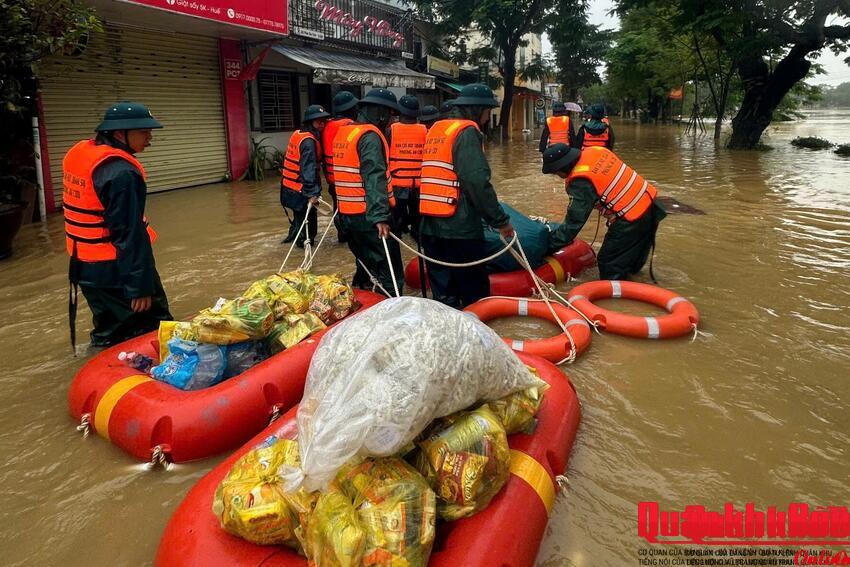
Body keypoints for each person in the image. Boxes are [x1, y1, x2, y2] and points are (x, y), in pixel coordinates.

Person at [63, 101, 173, 349]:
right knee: (155, 331)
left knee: (110, 332)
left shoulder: (82, 155)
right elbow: (129, 233)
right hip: (116, 270)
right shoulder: (122, 173)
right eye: (144, 132)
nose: (150, 138)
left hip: (84, 266)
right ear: (120, 133)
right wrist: (140, 287)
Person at [419, 83, 515, 309]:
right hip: (459, 227)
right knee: (475, 294)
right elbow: (476, 182)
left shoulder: (437, 129)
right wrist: (501, 221)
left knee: (444, 297)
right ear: (477, 109)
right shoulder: (466, 132)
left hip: (429, 225)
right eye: (487, 112)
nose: (487, 118)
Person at [541, 143, 666, 280]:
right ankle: (636, 284)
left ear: (563, 167)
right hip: (652, 205)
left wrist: (550, 246)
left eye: (556, 172)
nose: (557, 176)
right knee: (633, 261)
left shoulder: (580, 181)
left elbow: (574, 221)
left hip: (632, 219)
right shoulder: (596, 151)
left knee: (608, 262)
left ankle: (615, 292)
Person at [333, 88, 405, 295]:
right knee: (389, 271)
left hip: (348, 215)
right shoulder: (369, 137)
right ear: (381, 113)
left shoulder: (345, 132)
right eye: (390, 115)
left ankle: (364, 295)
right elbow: (374, 177)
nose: (391, 121)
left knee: (365, 264)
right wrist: (380, 217)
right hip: (369, 216)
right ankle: (392, 305)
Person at [280, 104, 331, 247]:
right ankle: (302, 250)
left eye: (323, 121)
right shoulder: (308, 142)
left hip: (289, 188)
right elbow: (308, 170)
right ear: (310, 122)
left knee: (298, 222)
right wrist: (312, 194)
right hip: (301, 191)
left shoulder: (298, 134)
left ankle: (293, 239)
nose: (322, 125)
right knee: (308, 230)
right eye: (318, 122)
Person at [322, 91, 360, 243]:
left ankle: (342, 235)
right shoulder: (349, 126)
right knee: (352, 210)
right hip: (349, 179)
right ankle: (350, 236)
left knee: (338, 207)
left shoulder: (327, 125)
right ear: (350, 108)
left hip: (332, 178)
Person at [388, 95, 427, 239]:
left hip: (397, 185)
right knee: (418, 221)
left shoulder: (390, 130)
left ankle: (398, 242)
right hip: (419, 185)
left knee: (396, 222)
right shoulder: (426, 130)